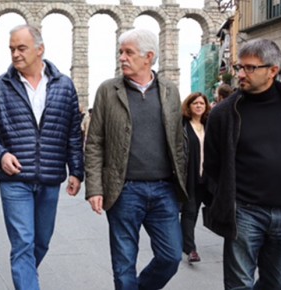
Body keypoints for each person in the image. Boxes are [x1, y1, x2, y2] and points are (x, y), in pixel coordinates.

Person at [0, 24, 84, 290]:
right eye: (11, 48)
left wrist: (77, 172)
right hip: (15, 179)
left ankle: (25, 278)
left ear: (40, 49)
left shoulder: (65, 86)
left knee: (41, 241)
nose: (15, 54)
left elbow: (72, 132)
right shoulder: (0, 86)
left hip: (49, 177)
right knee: (23, 242)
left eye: (21, 48)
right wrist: (1, 155)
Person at [204, 39, 281, 290]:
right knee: (239, 284)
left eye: (249, 68)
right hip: (243, 212)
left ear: (273, 71)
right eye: (239, 67)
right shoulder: (224, 113)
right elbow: (212, 164)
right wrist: (224, 200)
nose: (241, 74)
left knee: (276, 282)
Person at [84, 28, 187, 290]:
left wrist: (184, 186)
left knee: (171, 256)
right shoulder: (108, 90)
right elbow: (95, 142)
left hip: (164, 190)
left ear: (148, 57)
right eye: (121, 52)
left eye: (129, 52)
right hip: (124, 190)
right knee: (123, 264)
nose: (122, 58)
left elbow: (178, 141)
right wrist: (94, 187)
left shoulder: (170, 91)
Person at [180, 92, 212, 263]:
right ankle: (190, 248)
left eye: (202, 103)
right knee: (190, 211)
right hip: (189, 176)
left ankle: (183, 238)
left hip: (206, 178)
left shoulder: (209, 125)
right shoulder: (183, 126)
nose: (199, 106)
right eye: (195, 103)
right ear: (189, 106)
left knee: (195, 210)